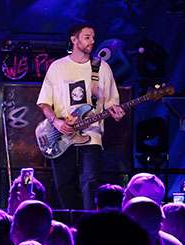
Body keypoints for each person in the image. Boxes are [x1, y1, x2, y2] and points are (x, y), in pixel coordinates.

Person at [36, 21, 124, 210]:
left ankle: (87, 226)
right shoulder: (57, 67)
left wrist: (115, 111)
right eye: (87, 37)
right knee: (64, 185)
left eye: (93, 37)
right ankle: (70, 225)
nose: (92, 41)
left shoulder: (102, 68)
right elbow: (44, 102)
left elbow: (111, 102)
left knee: (90, 183)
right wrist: (56, 122)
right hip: (61, 136)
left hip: (91, 135)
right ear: (74, 39)